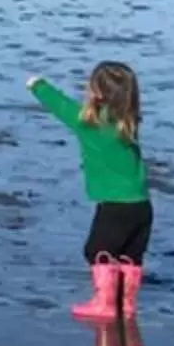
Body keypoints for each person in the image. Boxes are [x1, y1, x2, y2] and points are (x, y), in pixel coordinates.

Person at [25, 63, 150, 323]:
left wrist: (38, 85)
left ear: (97, 93)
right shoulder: (129, 121)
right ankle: (125, 304)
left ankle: (105, 303)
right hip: (141, 205)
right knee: (130, 254)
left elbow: (60, 106)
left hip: (114, 204)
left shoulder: (90, 123)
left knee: (97, 250)